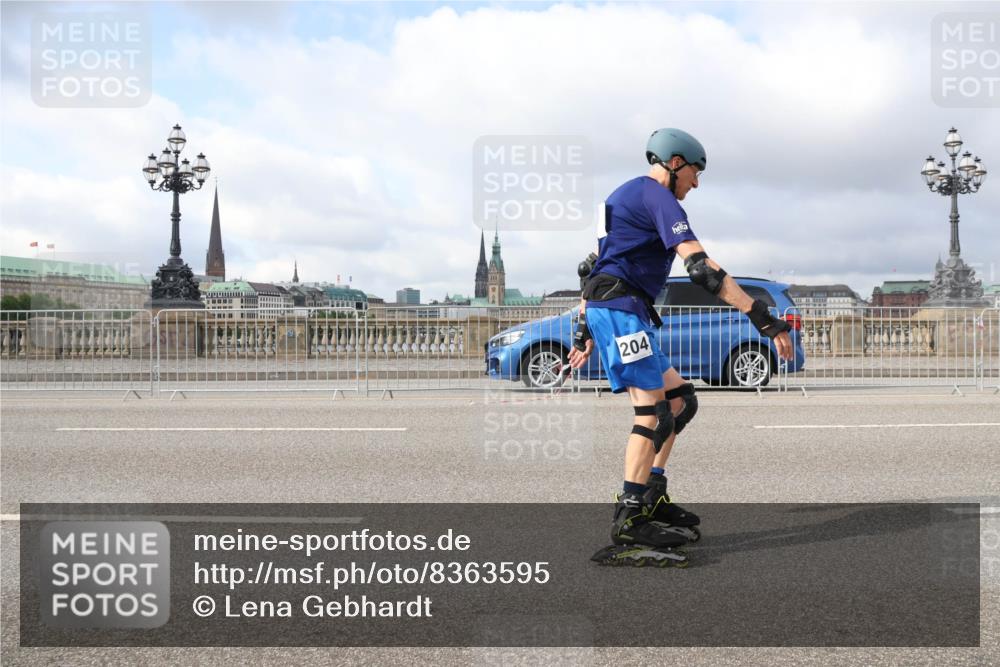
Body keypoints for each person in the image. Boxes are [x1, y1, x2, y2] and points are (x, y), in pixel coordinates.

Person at [573, 128, 794, 566]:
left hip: (620, 307)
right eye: (695, 172)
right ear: (675, 163)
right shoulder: (658, 197)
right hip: (620, 309)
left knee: (680, 401)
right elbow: (701, 269)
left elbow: (588, 267)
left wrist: (583, 329)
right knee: (652, 411)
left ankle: (651, 493)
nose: (697, 183)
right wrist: (762, 318)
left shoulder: (619, 197)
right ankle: (630, 518)